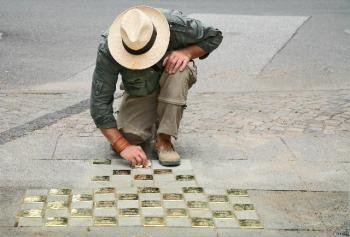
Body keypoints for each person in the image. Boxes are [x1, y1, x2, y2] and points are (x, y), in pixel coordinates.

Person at [90, 5, 222, 167]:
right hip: (141, 87)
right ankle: (152, 115)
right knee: (129, 138)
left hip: (173, 75)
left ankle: (164, 140)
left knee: (180, 70)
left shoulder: (175, 24)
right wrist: (122, 146)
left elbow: (214, 36)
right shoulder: (108, 47)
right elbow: (99, 104)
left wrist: (187, 53)